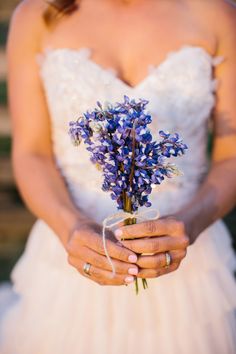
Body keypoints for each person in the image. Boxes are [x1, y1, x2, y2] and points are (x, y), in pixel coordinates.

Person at [0, 0, 236, 353]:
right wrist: (70, 229)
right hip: (70, 256)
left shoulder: (217, 13)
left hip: (190, 260)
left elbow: (231, 156)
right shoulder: (37, 15)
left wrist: (190, 223)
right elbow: (31, 152)